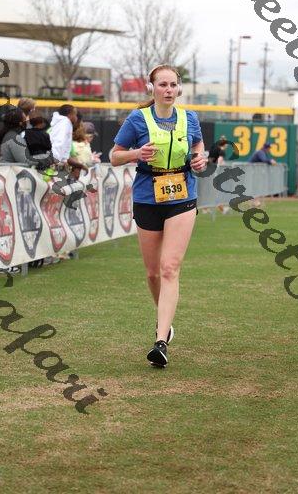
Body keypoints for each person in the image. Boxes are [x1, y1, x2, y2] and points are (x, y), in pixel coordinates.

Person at [110, 64, 206, 368]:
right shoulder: (138, 119)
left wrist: (199, 158)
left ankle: (160, 341)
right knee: (153, 273)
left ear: (179, 88)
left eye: (173, 84)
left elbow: (198, 144)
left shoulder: (190, 118)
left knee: (169, 268)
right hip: (147, 197)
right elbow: (114, 156)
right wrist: (136, 154)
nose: (168, 90)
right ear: (152, 88)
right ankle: (165, 319)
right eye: (163, 84)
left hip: (182, 196)